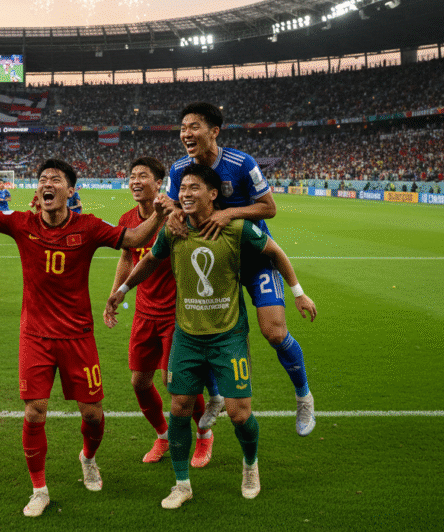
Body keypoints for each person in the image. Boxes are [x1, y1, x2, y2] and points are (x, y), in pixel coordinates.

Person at [0, 151, 168, 518]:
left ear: (70, 191)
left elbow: (134, 238)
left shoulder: (89, 227)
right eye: (43, 180)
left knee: (93, 415)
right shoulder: (21, 223)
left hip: (78, 336)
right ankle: (39, 489)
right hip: (35, 335)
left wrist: (159, 215)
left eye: (56, 181)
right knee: (35, 411)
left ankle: (88, 458)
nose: (48, 185)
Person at [106, 163, 317, 509]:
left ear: (214, 194)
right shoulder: (173, 229)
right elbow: (148, 260)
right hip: (187, 337)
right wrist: (123, 290)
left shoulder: (237, 228)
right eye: (183, 188)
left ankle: (251, 467)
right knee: (179, 407)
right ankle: (181, 484)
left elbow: (275, 253)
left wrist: (298, 293)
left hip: (228, 336)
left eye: (194, 188)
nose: (185, 194)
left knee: (239, 414)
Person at [168, 102, 316, 436]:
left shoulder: (241, 163)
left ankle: (303, 395)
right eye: (182, 128)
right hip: (217, 268)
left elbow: (269, 208)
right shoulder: (179, 169)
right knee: (205, 332)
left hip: (256, 258)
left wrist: (229, 214)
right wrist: (173, 213)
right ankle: (218, 397)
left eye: (193, 127)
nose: (186, 134)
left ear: (214, 131)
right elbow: (170, 202)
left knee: (274, 332)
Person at [111, 157, 213, 467]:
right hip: (144, 312)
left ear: (159, 184)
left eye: (143, 176)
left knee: (177, 383)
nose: (135, 181)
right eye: (132, 176)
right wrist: (116, 292)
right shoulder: (127, 219)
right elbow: (127, 259)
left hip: (175, 312)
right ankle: (163, 435)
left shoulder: (176, 217)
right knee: (139, 382)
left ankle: (204, 434)